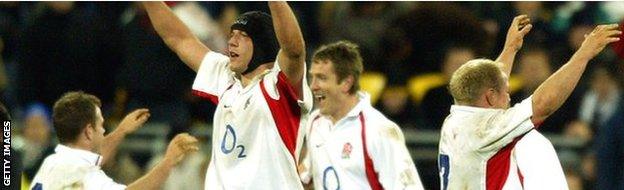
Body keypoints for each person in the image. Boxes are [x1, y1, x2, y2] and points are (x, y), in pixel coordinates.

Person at [438, 11, 621, 190]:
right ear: (490, 96)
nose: (509, 96)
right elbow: (543, 103)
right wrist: (583, 55)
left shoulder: (455, 119)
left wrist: (510, 49)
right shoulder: (485, 129)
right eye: (505, 91)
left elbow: (491, 80)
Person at [142, 1, 312, 189]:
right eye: (231, 35)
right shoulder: (225, 77)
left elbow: (294, 50)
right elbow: (179, 39)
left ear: (262, 44)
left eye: (243, 35)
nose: (231, 41)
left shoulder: (278, 84)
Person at [298, 41, 424, 190]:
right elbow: (308, 177)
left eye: (322, 78)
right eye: (312, 77)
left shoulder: (379, 130)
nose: (313, 86)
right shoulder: (316, 122)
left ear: (346, 83)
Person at [29, 91, 199, 190]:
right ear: (89, 131)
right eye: (100, 125)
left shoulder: (53, 162)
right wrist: (169, 161)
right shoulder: (81, 172)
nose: (103, 131)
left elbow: (97, 159)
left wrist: (121, 131)